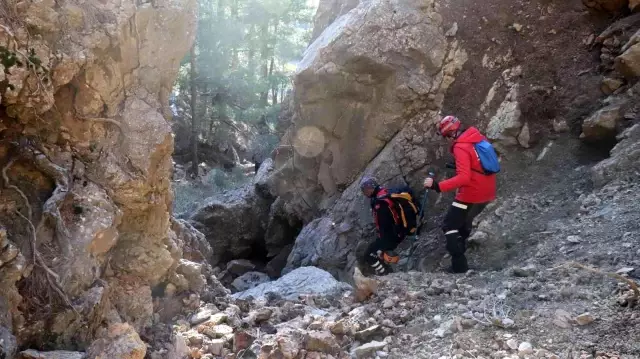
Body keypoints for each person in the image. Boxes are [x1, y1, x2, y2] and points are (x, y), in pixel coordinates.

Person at [423, 115, 497, 273]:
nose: (448, 139)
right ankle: (461, 258)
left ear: (451, 133)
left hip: (472, 192)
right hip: (488, 188)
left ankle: (459, 266)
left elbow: (464, 177)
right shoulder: (476, 137)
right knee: (463, 224)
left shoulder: (460, 147)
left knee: (449, 225)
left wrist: (437, 185)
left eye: (447, 136)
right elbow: (478, 162)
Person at [359, 177, 417, 276]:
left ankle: (386, 274)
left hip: (393, 236)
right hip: (397, 232)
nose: (364, 193)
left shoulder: (380, 202)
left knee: (369, 256)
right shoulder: (385, 193)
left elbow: (384, 224)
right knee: (373, 249)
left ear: (370, 188)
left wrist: (382, 243)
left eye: (365, 190)